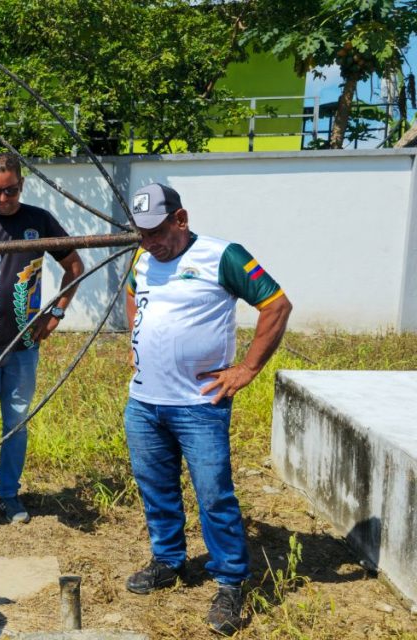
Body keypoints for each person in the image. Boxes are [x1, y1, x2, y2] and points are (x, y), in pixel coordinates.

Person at [122, 183, 292, 635]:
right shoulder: (142, 258)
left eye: (157, 231)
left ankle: (231, 581)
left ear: (181, 219)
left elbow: (276, 305)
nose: (149, 242)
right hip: (144, 402)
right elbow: (133, 295)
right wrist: (135, 339)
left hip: (200, 405)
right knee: (155, 488)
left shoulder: (223, 256)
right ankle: (168, 561)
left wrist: (247, 369)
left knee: (214, 495)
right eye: (141, 234)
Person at [0, 152, 84, 526]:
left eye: (10, 190)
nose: (3, 198)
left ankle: (9, 495)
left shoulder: (40, 221)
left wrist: (56, 313)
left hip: (24, 346)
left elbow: (74, 266)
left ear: (21, 185)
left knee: (16, 423)